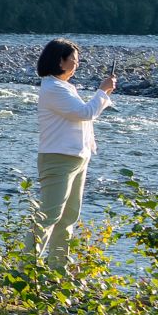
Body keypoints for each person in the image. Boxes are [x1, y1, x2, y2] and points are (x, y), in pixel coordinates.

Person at [33, 38, 116, 267]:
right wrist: (103, 91)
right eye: (74, 60)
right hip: (58, 157)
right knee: (48, 216)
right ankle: (25, 269)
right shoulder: (52, 89)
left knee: (69, 217)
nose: (76, 65)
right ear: (60, 61)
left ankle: (57, 269)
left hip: (77, 157)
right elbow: (84, 113)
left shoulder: (64, 88)